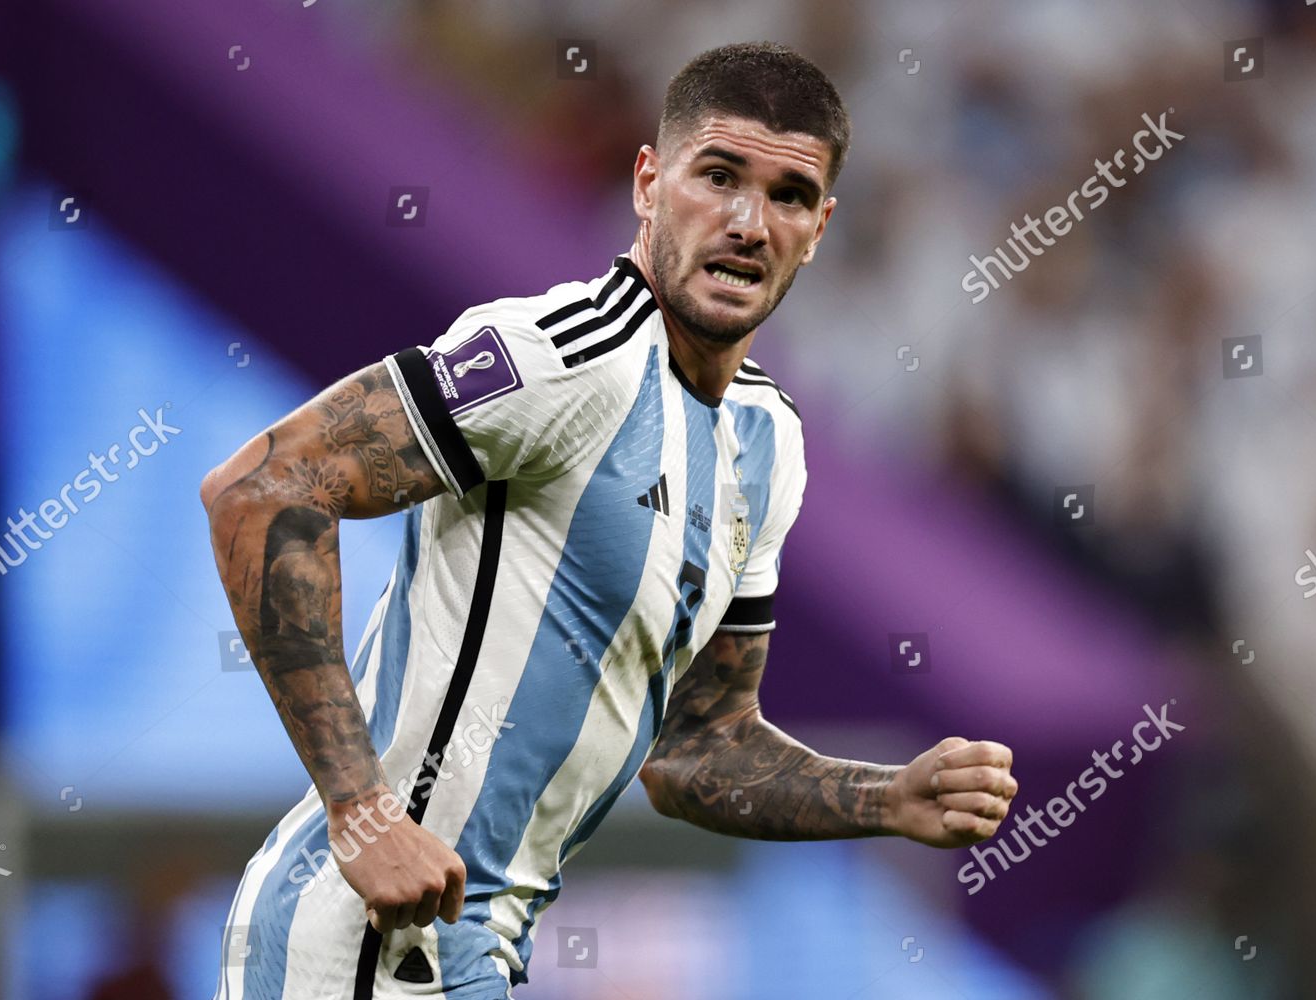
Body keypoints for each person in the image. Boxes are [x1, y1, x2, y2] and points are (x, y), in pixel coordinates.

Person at [200, 40, 1018, 1000]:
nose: (749, 223)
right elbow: (263, 487)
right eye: (718, 177)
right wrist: (361, 810)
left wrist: (889, 798)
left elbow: (696, 747)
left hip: (477, 951)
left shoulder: (765, 440)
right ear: (647, 181)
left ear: (822, 225)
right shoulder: (565, 357)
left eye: (789, 195)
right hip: (365, 947)